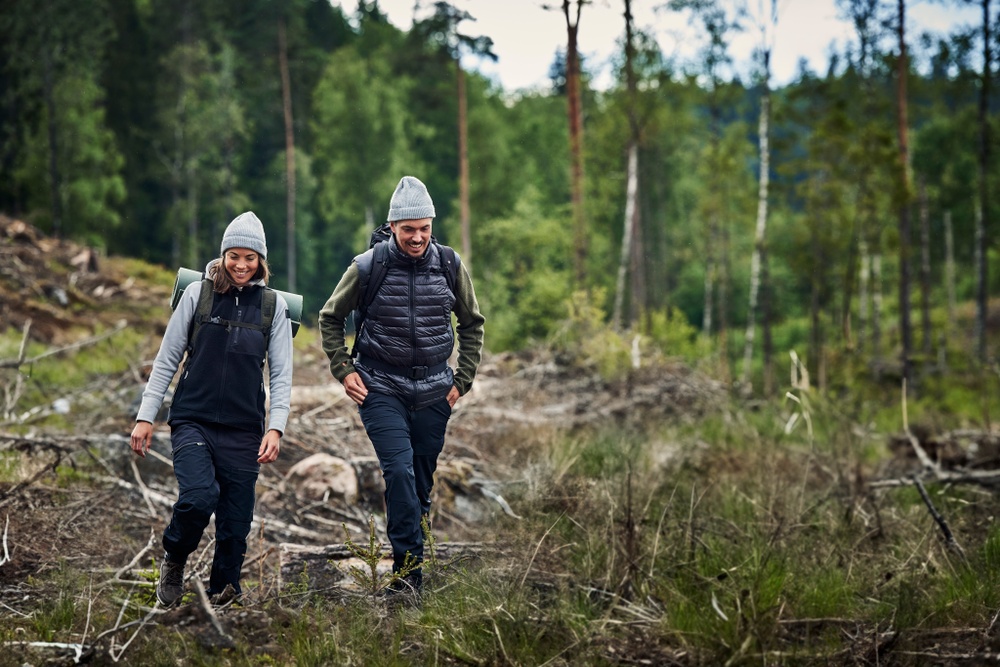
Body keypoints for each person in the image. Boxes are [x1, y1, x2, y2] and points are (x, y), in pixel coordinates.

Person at [318, 176, 485, 595]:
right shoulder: (367, 266)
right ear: (393, 226)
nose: (417, 237)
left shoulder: (449, 264)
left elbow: (472, 324)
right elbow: (329, 318)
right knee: (398, 472)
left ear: (432, 224)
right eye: (409, 229)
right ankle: (408, 577)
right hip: (381, 388)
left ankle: (413, 556)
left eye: (424, 228)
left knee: (421, 484)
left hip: (434, 390)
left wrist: (461, 380)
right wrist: (344, 369)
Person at [129, 211, 293, 607]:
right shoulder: (196, 295)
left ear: (261, 262)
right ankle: (174, 559)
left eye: (250, 258)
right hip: (193, 421)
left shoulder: (273, 307)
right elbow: (167, 360)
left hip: (244, 429)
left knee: (236, 526)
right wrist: (145, 416)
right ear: (222, 255)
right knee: (199, 497)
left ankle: (223, 594)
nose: (241, 265)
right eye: (234, 255)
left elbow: (282, 376)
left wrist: (276, 428)